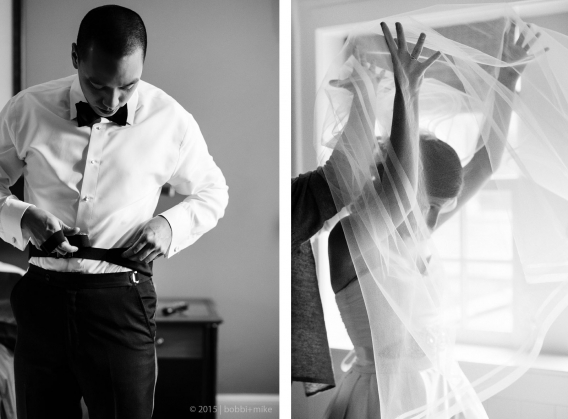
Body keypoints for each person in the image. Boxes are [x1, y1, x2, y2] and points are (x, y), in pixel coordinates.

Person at [0, 5, 228, 419]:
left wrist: (169, 226)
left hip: (121, 303)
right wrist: (22, 215)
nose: (111, 100)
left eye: (127, 86)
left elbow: (214, 191)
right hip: (41, 301)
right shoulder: (26, 109)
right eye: (97, 84)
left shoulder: (171, 121)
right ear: (75, 57)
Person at [321, 14, 545, 419]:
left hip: (443, 390)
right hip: (382, 400)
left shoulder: (421, 226)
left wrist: (508, 78)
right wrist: (407, 93)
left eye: (443, 207)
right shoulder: (351, 239)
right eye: (428, 204)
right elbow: (401, 188)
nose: (433, 220)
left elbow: (486, 163)